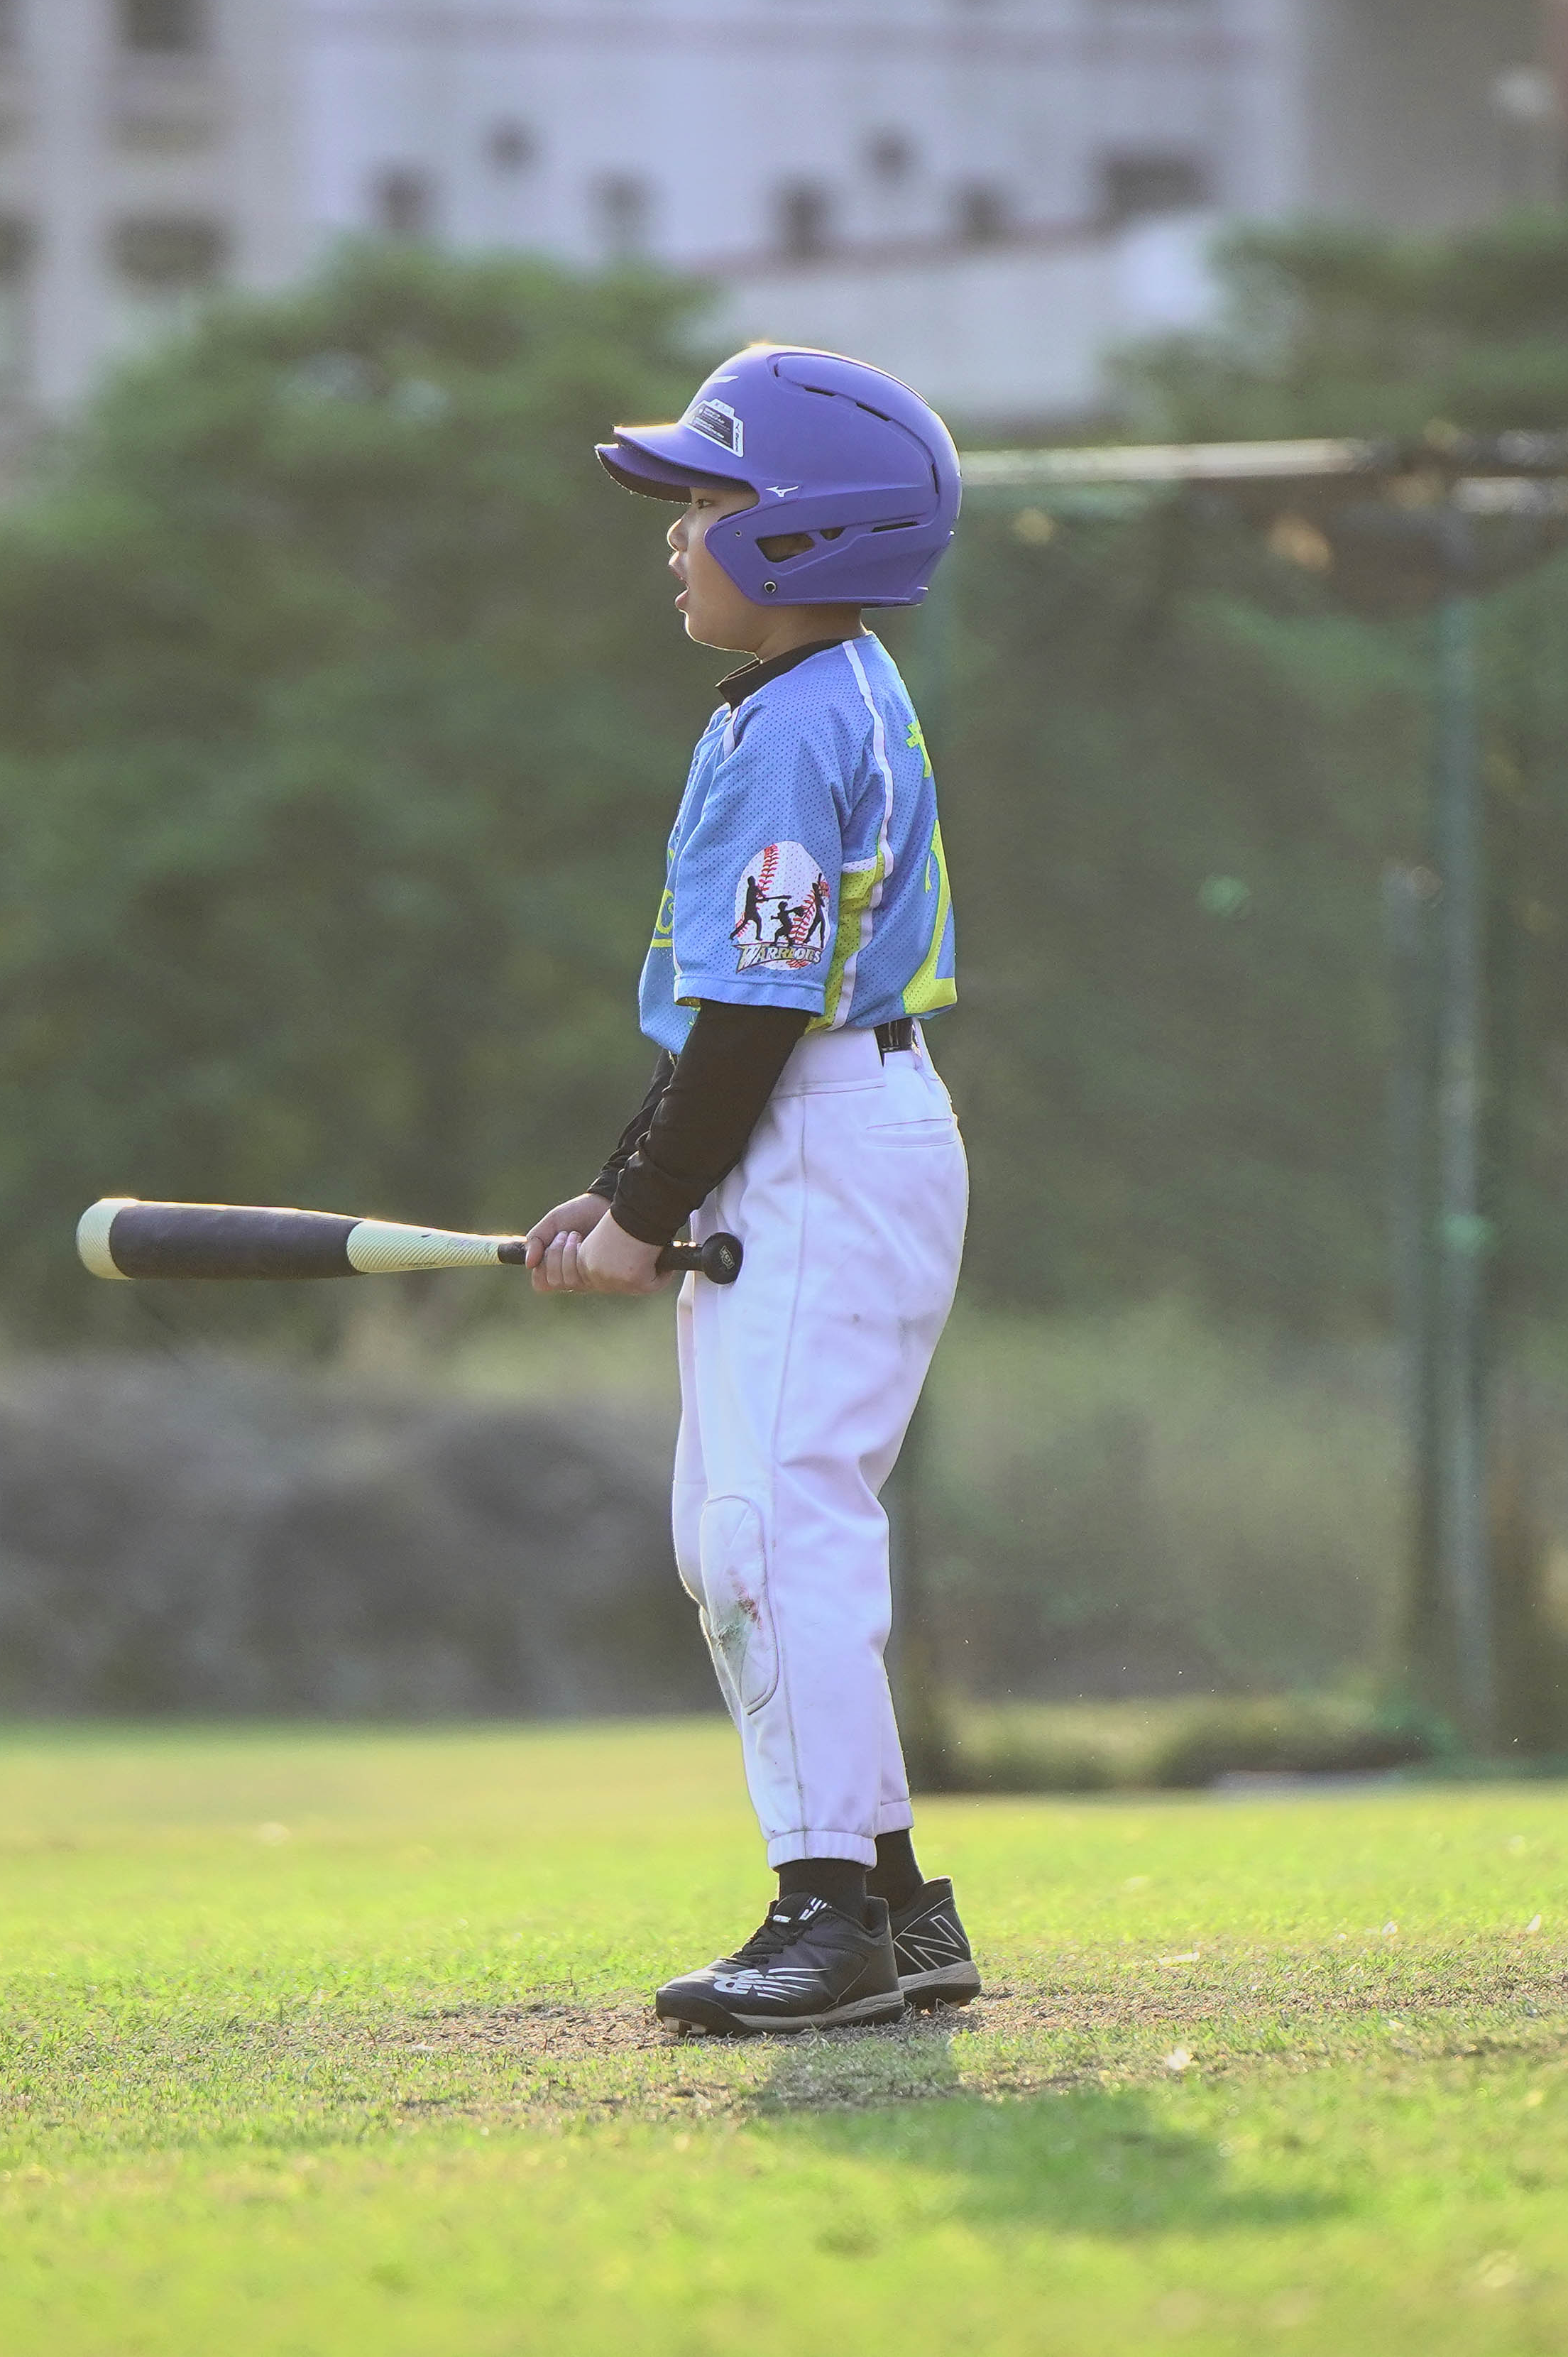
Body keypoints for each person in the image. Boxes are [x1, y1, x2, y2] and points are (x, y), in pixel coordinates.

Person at [523, 345, 972, 2035]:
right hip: (815, 1125)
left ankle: (828, 1915)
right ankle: (896, 1908)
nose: (677, 528)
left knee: (767, 1531)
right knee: (748, 1531)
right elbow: (735, 1007)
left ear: (804, 532)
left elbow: (761, 1011)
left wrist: (645, 1210)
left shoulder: (795, 723)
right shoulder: (811, 696)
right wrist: (623, 1190)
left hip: (821, 1131)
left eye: (709, 499)